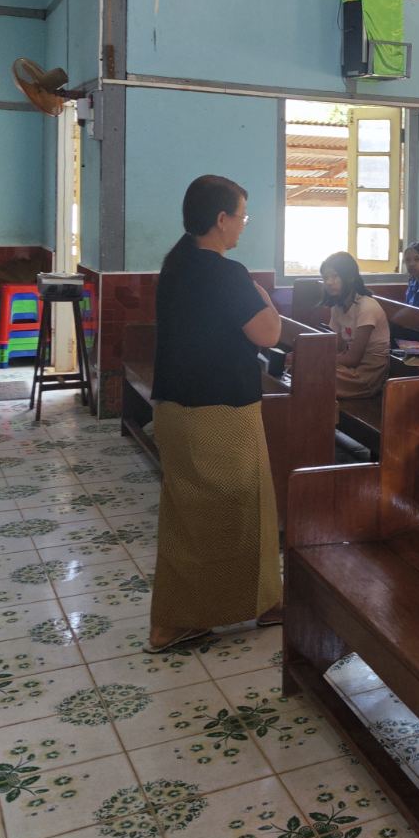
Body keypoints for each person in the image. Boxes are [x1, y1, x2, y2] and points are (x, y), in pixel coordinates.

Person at [147, 175, 282, 653]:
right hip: (220, 411)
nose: (243, 225)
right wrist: (265, 299)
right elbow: (268, 334)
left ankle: (261, 602)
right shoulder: (226, 273)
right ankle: (178, 622)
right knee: (241, 510)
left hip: (175, 408)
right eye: (242, 216)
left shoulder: (176, 265)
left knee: (190, 518)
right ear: (221, 219)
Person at [321, 251, 390, 400]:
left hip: (367, 375)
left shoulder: (367, 307)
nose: (329, 282)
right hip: (349, 368)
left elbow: (354, 358)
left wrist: (318, 359)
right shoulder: (337, 307)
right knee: (306, 369)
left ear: (350, 277)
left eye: (335, 276)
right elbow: (337, 346)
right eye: (325, 278)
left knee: (315, 375)